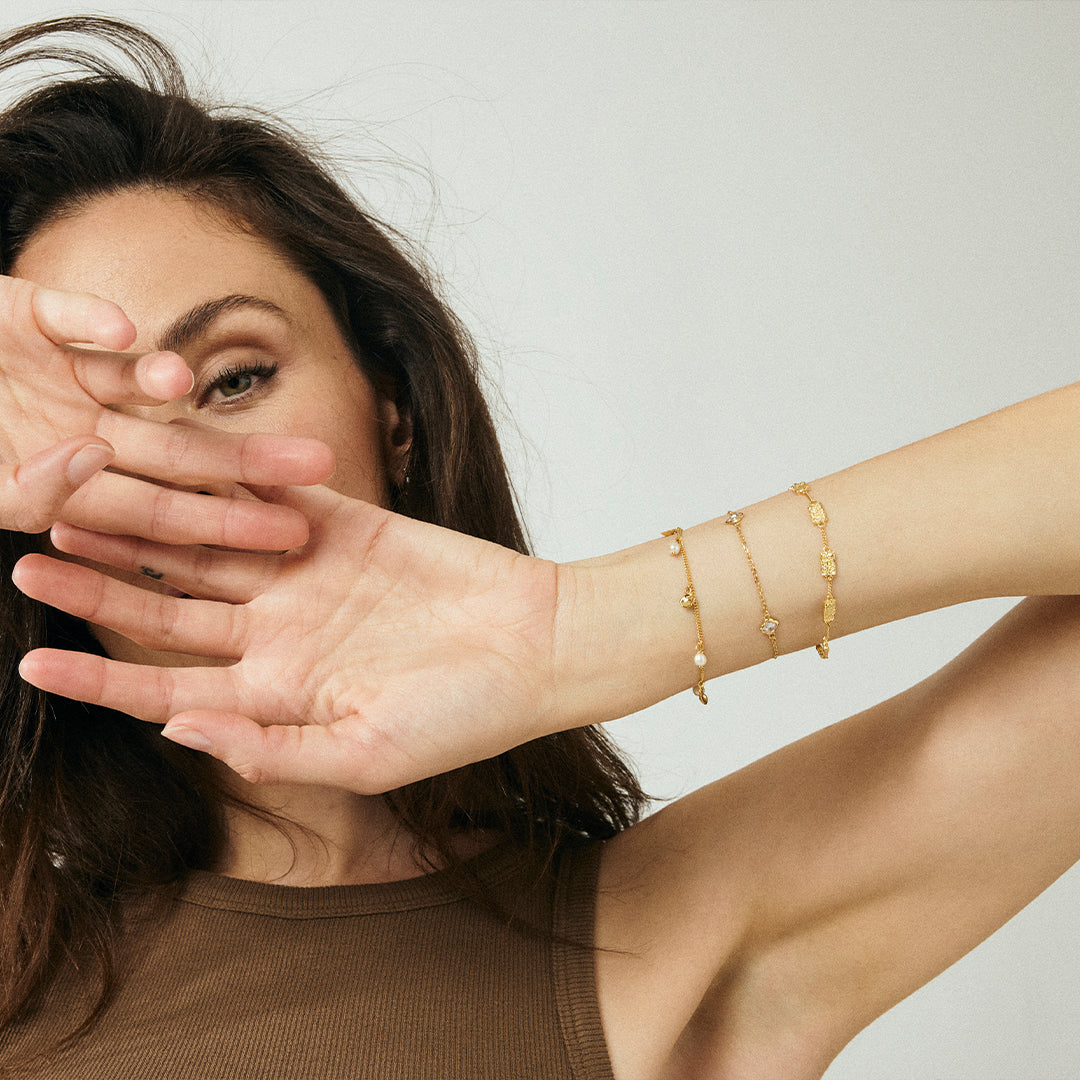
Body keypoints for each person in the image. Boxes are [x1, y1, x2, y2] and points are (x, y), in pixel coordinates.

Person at [0, 13, 1078, 1080]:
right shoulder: (24, 987)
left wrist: (581, 627)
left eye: (237, 377)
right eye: (96, 437)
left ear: (395, 410)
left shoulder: (669, 949)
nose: (180, 475)